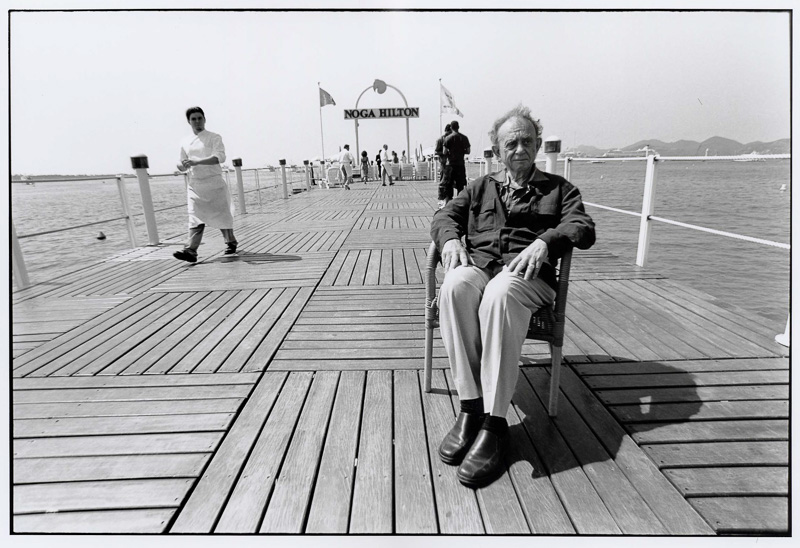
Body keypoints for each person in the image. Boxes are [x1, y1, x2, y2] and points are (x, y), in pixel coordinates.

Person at [430, 105, 596, 488]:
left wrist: (546, 240)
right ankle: (471, 406)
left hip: (526, 278)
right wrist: (452, 238)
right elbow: (443, 217)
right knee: (455, 285)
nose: (519, 149)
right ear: (497, 150)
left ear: (538, 144)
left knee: (500, 294)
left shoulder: (560, 190)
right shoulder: (480, 187)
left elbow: (582, 227)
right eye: (511, 143)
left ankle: (495, 423)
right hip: (482, 267)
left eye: (526, 141)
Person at [174, 106, 238, 263]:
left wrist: (196, 161)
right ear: (189, 122)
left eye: (199, 118)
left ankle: (231, 242)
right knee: (195, 217)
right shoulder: (185, 141)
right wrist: (183, 166)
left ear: (204, 119)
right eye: (193, 119)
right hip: (195, 185)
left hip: (214, 183)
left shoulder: (214, 137)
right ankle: (191, 250)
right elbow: (181, 162)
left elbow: (219, 157)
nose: (197, 121)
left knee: (222, 215)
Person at [441, 120, 471, 206]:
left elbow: (444, 152)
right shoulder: (464, 138)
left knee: (448, 185)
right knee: (460, 185)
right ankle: (460, 204)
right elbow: (468, 151)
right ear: (458, 127)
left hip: (450, 165)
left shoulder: (448, 138)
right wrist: (461, 151)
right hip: (460, 164)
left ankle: (448, 204)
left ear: (451, 127)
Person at [435, 124, 453, 204]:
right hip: (444, 163)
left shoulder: (452, 139)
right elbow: (436, 151)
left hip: (451, 163)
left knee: (450, 182)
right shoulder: (440, 140)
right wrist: (444, 153)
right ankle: (442, 198)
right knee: (443, 181)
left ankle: (449, 198)